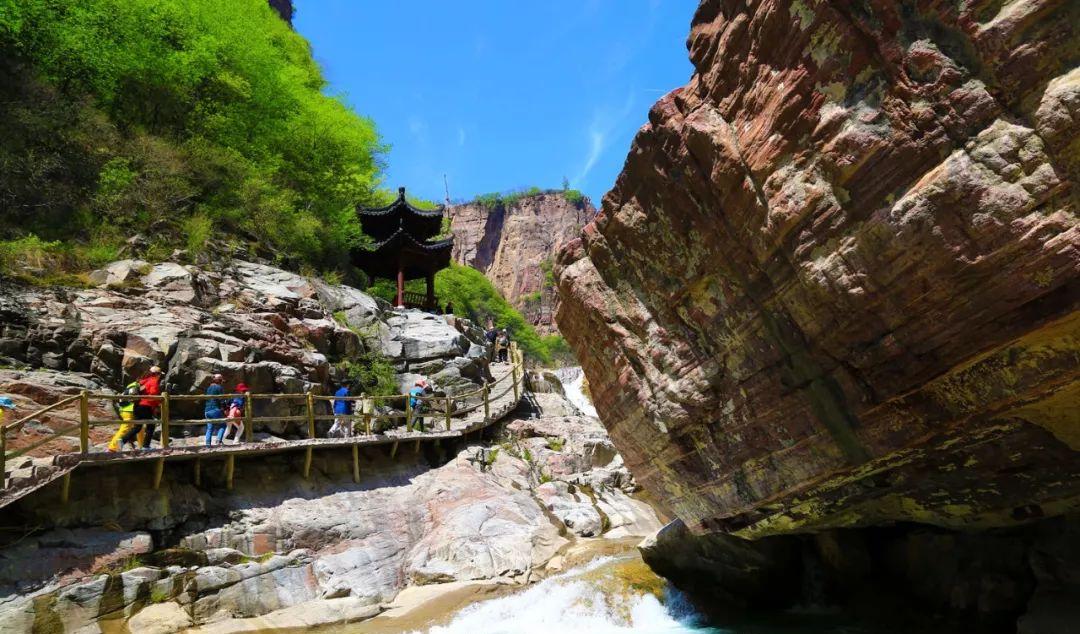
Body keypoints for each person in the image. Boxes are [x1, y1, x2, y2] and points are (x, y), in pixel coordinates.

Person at [121, 366, 162, 449]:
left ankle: (122, 441)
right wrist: (159, 402)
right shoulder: (153, 381)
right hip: (145, 407)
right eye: (160, 374)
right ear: (157, 374)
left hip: (137, 406)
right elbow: (153, 394)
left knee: (137, 427)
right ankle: (146, 446)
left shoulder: (143, 381)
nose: (160, 376)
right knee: (151, 426)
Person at [108, 379, 144, 451]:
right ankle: (113, 447)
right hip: (129, 410)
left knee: (140, 428)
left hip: (128, 410)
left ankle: (142, 446)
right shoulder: (135, 386)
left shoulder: (132, 385)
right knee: (125, 428)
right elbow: (133, 397)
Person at [203, 374, 227, 447]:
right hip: (215, 409)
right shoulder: (219, 387)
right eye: (221, 381)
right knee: (223, 425)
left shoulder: (208, 388)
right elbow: (222, 400)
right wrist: (224, 409)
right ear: (219, 381)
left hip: (207, 410)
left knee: (210, 428)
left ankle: (208, 445)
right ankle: (218, 441)